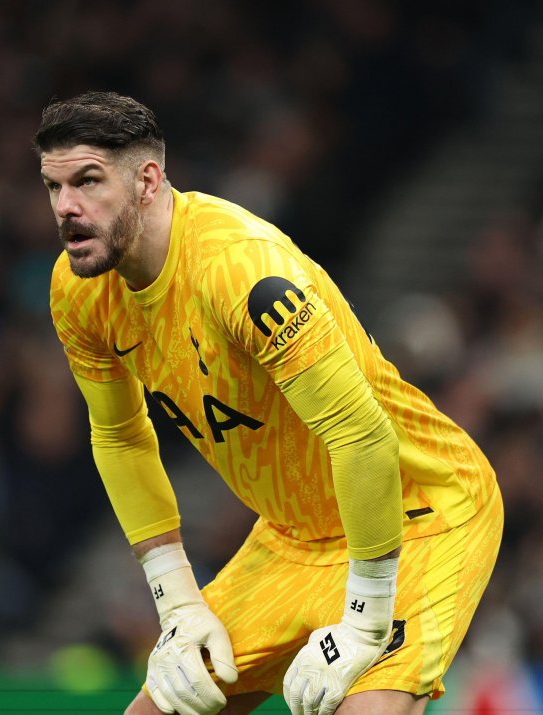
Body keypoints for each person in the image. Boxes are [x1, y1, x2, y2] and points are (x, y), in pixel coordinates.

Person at [35, 91, 503, 715]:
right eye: (53, 186)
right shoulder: (78, 291)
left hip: (418, 509)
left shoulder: (243, 273)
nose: (66, 207)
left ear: (147, 180)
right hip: (291, 537)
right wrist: (178, 604)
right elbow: (120, 436)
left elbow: (363, 437)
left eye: (87, 181)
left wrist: (363, 622)